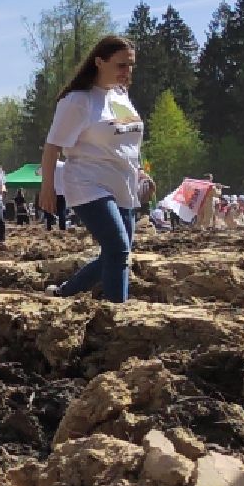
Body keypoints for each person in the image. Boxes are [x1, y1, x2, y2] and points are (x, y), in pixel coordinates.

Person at [41, 35, 145, 302]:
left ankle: (64, 292)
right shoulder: (79, 100)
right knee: (118, 249)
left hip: (123, 182)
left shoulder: (121, 97)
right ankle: (116, 313)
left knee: (115, 254)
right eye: (121, 65)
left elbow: (128, 138)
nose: (127, 72)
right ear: (99, 62)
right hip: (88, 182)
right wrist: (48, 188)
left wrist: (141, 169)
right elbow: (52, 146)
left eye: (131, 65)